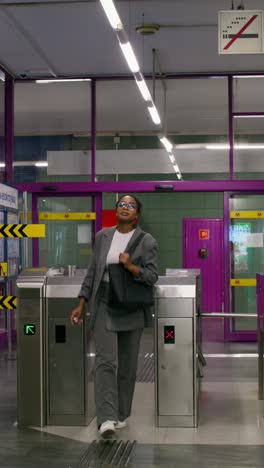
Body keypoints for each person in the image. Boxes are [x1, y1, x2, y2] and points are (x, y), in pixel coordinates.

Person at [70, 194, 158, 439]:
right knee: (105, 361)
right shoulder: (102, 236)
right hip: (104, 302)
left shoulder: (146, 241)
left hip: (130, 306)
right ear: (116, 210)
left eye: (130, 205)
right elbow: (92, 272)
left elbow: (152, 276)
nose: (125, 207)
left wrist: (130, 267)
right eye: (121, 204)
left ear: (137, 214)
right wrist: (82, 302)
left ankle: (120, 413)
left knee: (128, 366)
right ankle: (106, 418)